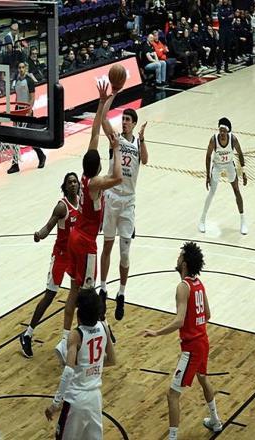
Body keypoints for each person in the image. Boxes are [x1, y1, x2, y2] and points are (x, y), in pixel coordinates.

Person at [55, 81, 123, 364]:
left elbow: (94, 132)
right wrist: (116, 148)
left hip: (76, 237)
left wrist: (103, 102)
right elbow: (118, 177)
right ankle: (90, 336)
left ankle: (64, 339)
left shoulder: (85, 176)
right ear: (97, 167)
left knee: (74, 290)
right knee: (88, 292)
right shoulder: (94, 183)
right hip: (85, 244)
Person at [142, 242, 222, 440]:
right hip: (203, 341)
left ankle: (172, 437)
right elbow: (207, 314)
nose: (177, 258)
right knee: (203, 378)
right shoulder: (198, 283)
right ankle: (215, 421)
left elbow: (179, 321)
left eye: (180, 256)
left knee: (172, 394)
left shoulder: (183, 287)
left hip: (192, 347)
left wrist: (156, 332)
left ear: (184, 263)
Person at [19, 173, 79, 358]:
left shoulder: (82, 201)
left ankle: (90, 331)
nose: (73, 184)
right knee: (50, 295)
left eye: (75, 181)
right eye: (70, 182)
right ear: (65, 186)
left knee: (82, 292)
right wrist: (39, 235)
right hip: (61, 256)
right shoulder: (62, 206)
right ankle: (27, 334)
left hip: (75, 254)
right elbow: (48, 226)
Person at [45, 289, 116, 439]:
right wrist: (91, 365)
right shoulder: (104, 327)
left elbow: (68, 372)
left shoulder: (76, 335)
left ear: (79, 313)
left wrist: (55, 404)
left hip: (76, 400)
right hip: (95, 399)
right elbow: (112, 360)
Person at [99, 108, 148, 324]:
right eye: (123, 119)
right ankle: (103, 289)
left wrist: (143, 140)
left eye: (128, 120)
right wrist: (107, 100)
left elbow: (145, 160)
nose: (124, 122)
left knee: (125, 253)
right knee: (107, 246)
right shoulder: (115, 139)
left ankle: (121, 293)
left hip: (128, 201)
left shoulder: (137, 143)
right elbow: (103, 120)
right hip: (112, 197)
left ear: (134, 123)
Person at [198, 117, 247, 235]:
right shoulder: (213, 140)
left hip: (229, 164)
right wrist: (207, 176)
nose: (222, 133)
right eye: (220, 130)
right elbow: (208, 156)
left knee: (236, 190)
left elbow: (240, 154)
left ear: (228, 131)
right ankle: (202, 220)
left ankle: (243, 221)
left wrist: (244, 172)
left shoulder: (233, 140)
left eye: (224, 131)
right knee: (212, 192)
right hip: (217, 165)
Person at [6, 62, 46, 174]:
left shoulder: (29, 81)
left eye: (23, 67)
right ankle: (15, 164)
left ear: (26, 68)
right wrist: (15, 110)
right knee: (14, 138)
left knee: (29, 137)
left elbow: (32, 98)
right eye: (19, 67)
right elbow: (17, 96)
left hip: (27, 110)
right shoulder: (16, 81)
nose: (21, 69)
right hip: (18, 110)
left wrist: (29, 110)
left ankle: (41, 155)